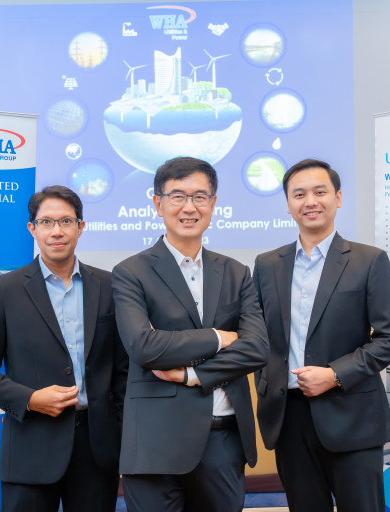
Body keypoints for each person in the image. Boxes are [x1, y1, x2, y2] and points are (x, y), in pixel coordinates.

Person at [112, 156, 269, 512]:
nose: (189, 207)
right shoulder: (130, 272)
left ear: (213, 203)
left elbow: (258, 349)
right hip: (156, 443)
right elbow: (145, 347)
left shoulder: (236, 272)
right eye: (177, 196)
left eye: (199, 197)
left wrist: (191, 374)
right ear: (158, 204)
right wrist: (220, 338)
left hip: (224, 439)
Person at [253, 158, 390, 512]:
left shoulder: (369, 260)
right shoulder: (267, 264)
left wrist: (335, 374)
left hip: (352, 414)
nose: (310, 201)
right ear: (288, 204)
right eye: (299, 194)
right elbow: (255, 334)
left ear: (337, 198)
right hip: (288, 418)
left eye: (320, 192)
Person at [0, 185, 128, 512]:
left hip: (97, 448)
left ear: (80, 227)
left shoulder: (109, 285)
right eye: (47, 222)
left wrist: (120, 430)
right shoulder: (6, 289)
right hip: (31, 445)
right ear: (32, 228)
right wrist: (30, 399)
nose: (57, 231)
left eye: (66, 221)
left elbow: (122, 369)